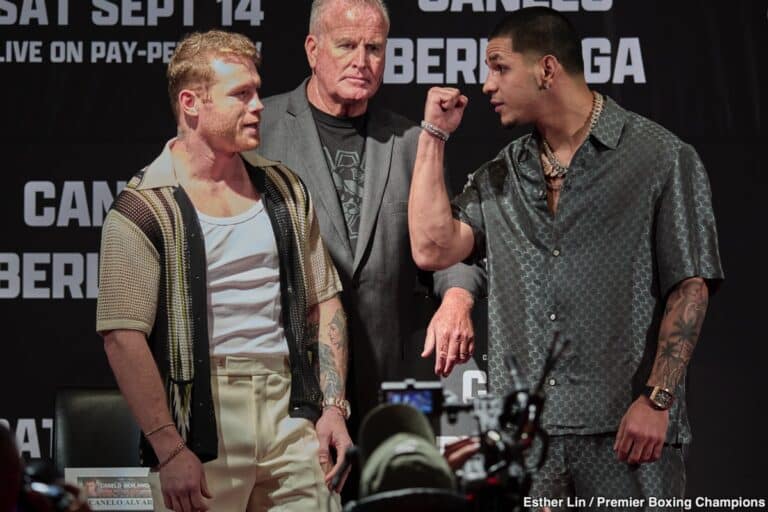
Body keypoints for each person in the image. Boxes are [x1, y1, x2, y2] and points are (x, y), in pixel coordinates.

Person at [408, 7, 723, 509]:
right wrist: (433, 136)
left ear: (547, 70)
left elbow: (690, 286)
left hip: (626, 431)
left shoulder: (661, 158)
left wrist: (657, 398)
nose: (486, 84)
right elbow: (432, 247)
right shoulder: (501, 174)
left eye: (499, 67)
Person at [97, 30, 350, 511]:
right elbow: (122, 336)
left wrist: (334, 408)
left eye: (257, 91)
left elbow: (325, 301)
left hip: (290, 410)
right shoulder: (142, 208)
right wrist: (169, 448)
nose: (258, 106)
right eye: (241, 94)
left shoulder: (284, 190)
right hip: (198, 420)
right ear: (191, 103)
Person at [251, 0, 486, 442]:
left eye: (374, 48)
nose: (362, 62)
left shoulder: (414, 142)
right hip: (290, 387)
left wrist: (456, 297)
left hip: (389, 384)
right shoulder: (259, 132)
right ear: (312, 49)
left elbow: (445, 245)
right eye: (347, 46)